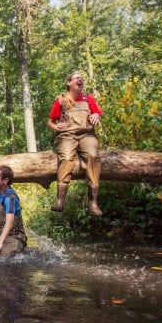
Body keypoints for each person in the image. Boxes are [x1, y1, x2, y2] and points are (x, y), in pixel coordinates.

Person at [47, 72, 103, 216]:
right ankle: (60, 201)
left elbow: (97, 113)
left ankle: (93, 202)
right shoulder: (61, 100)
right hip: (67, 135)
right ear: (69, 82)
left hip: (86, 134)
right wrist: (56, 127)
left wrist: (96, 114)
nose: (80, 79)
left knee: (93, 156)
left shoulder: (88, 98)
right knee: (66, 158)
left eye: (81, 78)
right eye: (76, 78)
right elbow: (50, 122)